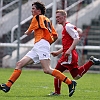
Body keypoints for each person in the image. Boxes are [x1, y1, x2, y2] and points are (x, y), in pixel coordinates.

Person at [0, 1, 77, 97]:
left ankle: (70, 83)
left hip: (41, 44)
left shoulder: (37, 17)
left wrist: (26, 33)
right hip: (39, 45)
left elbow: (28, 32)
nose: (32, 11)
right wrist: (47, 44)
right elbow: (55, 36)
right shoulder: (47, 20)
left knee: (47, 69)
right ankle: (7, 86)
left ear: (39, 11)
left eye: (33, 9)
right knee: (19, 64)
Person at [48, 10, 100, 96]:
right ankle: (91, 61)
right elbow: (67, 44)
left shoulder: (68, 26)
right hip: (70, 54)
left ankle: (57, 92)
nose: (56, 19)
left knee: (56, 72)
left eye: (58, 17)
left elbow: (76, 38)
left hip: (69, 55)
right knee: (77, 76)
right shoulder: (65, 27)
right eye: (56, 17)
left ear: (64, 17)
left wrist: (69, 50)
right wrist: (58, 52)